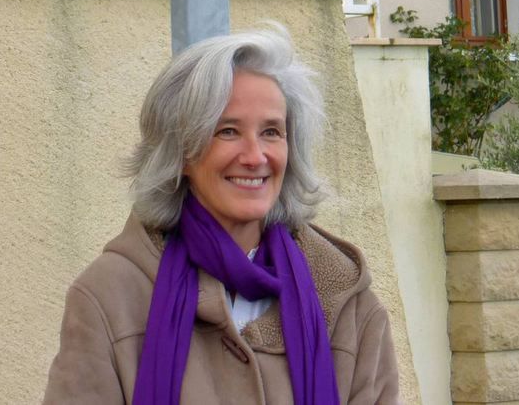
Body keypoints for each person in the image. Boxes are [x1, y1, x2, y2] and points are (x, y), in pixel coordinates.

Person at [43, 25, 400, 404]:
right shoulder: (109, 296)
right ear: (180, 152)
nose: (255, 156)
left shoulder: (349, 304)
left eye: (272, 132)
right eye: (228, 131)